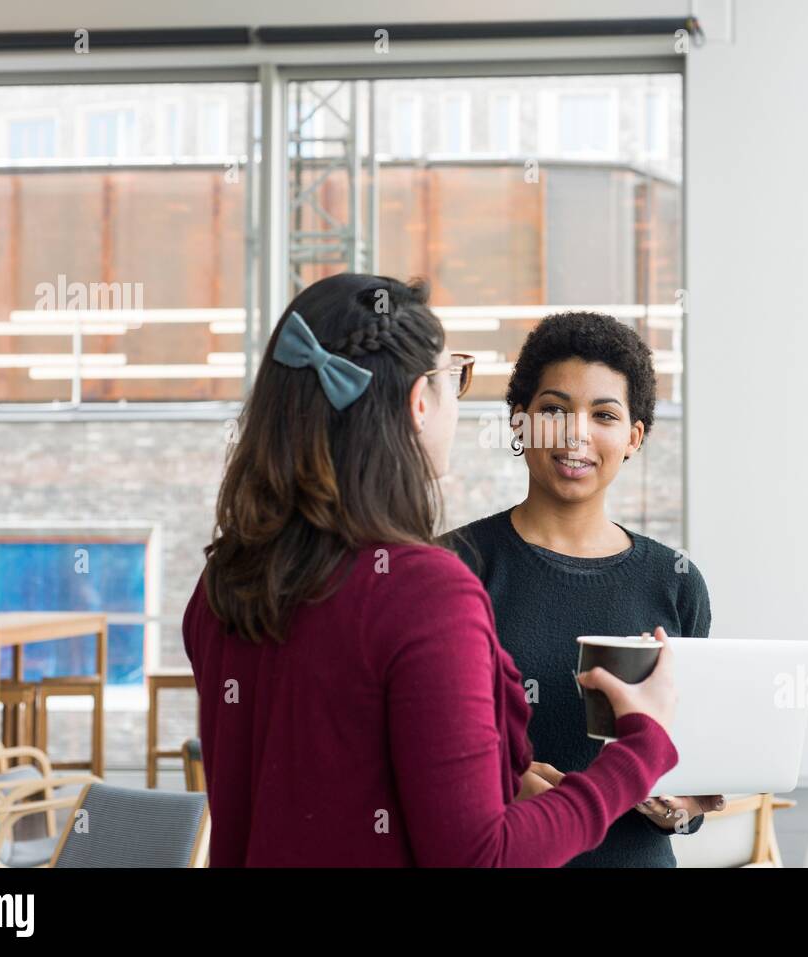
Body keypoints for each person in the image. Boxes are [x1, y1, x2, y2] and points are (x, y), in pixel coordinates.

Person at [181, 273, 680, 866]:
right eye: (454, 380)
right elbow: (482, 857)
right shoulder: (426, 593)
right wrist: (640, 748)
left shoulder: (224, 585)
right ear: (420, 401)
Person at [445, 311, 720, 868]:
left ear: (633, 437)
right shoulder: (451, 568)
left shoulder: (676, 580)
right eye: (553, 410)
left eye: (604, 415)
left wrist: (683, 806)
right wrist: (501, 782)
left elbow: (693, 764)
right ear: (519, 423)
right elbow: (411, 747)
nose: (576, 433)